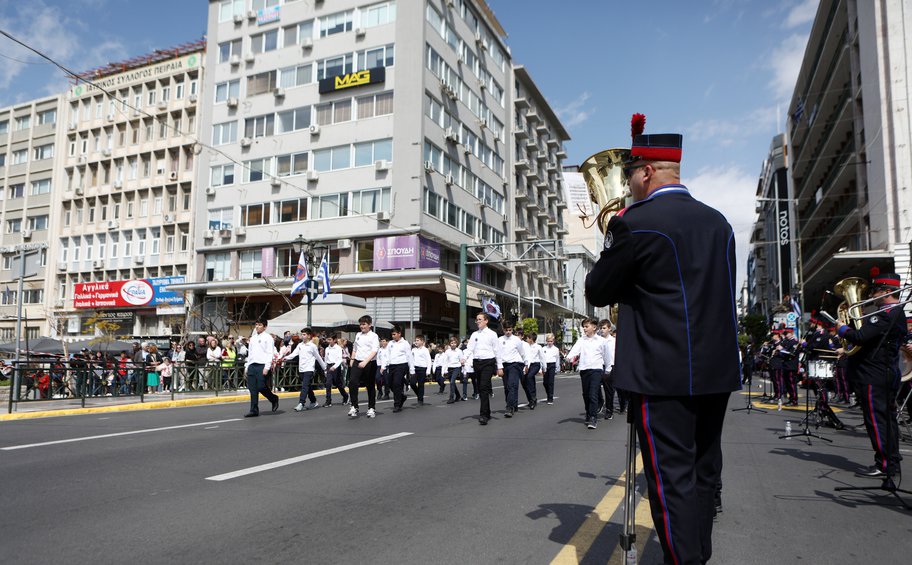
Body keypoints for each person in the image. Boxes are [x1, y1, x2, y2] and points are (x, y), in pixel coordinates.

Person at [585, 117, 740, 564]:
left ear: (647, 171)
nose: (627, 182)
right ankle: (697, 553)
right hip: (715, 371)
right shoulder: (719, 223)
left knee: (671, 480)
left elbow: (598, 290)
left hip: (661, 372)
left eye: (629, 172)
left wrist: (611, 237)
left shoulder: (634, 222)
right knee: (703, 472)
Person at [836, 271, 906, 483]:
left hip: (873, 375)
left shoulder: (884, 314)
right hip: (884, 373)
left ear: (886, 291)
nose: (872, 293)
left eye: (876, 290)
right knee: (887, 420)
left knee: (876, 421)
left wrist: (842, 328)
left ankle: (884, 464)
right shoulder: (896, 313)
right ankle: (891, 460)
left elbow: (860, 336)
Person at [566, 318, 612, 429]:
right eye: (584, 327)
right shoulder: (582, 340)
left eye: (587, 326)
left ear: (594, 327)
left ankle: (593, 417)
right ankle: (588, 412)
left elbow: (607, 356)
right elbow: (575, 350)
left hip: (596, 369)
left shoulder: (602, 341)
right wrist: (569, 357)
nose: (585, 329)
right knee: (586, 394)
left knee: (593, 393)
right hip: (584, 369)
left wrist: (608, 368)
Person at [464, 312, 503, 425]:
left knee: (483, 386)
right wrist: (464, 358)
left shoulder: (492, 334)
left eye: (480, 319)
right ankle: (487, 411)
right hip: (477, 363)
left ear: (486, 321)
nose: (478, 321)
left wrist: (500, 367)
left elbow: (497, 351)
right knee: (482, 389)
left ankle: (483, 415)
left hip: (488, 363)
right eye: (477, 320)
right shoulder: (474, 334)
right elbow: (469, 348)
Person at [244, 319, 280, 417]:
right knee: (252, 389)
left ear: (264, 327)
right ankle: (254, 410)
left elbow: (269, 353)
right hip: (252, 365)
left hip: (262, 365)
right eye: (256, 325)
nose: (257, 327)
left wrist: (267, 367)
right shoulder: (253, 338)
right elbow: (250, 353)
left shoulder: (268, 338)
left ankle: (273, 399)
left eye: (259, 325)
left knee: (261, 386)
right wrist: (247, 366)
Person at [284, 328, 325, 412]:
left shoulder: (313, 346)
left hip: (309, 369)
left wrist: (325, 368)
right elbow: (293, 354)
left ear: (309, 336)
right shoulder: (300, 345)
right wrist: (284, 358)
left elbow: (318, 357)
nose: (302, 336)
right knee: (308, 386)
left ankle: (301, 403)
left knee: (304, 386)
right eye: (302, 334)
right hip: (301, 369)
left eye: (304, 334)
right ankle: (313, 401)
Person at [348, 315, 380, 419]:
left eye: (364, 324)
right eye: (360, 324)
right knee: (352, 382)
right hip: (357, 361)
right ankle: (354, 406)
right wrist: (352, 360)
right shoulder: (358, 335)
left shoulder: (374, 336)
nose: (362, 326)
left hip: (369, 362)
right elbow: (355, 348)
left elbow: (374, 350)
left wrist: (365, 361)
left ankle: (371, 408)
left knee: (369, 385)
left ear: (369, 325)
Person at [498, 321, 527, 417]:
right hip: (504, 365)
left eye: (510, 330)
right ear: (503, 330)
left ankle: (509, 408)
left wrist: (526, 363)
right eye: (506, 330)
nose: (508, 332)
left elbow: (522, 352)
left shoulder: (516, 340)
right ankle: (513, 404)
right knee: (507, 387)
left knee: (511, 385)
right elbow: (497, 354)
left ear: (512, 330)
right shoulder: (499, 340)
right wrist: (498, 367)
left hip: (514, 364)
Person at [385, 325, 415, 413]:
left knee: (397, 383)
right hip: (392, 366)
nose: (393, 336)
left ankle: (397, 404)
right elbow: (388, 355)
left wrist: (412, 370)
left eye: (394, 334)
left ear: (399, 334)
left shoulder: (405, 343)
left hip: (402, 365)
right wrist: (385, 366)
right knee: (390, 384)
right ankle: (402, 397)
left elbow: (409, 356)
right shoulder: (390, 343)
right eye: (392, 335)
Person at [598, 319, 623, 418]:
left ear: (609, 329)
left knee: (609, 390)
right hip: (599, 366)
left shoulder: (614, 341)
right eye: (601, 328)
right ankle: (600, 401)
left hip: (611, 366)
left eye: (604, 328)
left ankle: (609, 410)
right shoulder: (597, 340)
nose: (602, 330)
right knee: (595, 386)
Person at [323, 334, 348, 406]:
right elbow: (326, 359)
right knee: (328, 384)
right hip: (329, 366)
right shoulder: (327, 349)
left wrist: (334, 367)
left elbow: (340, 360)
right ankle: (328, 401)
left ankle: (345, 396)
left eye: (330, 340)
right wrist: (325, 369)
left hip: (336, 367)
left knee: (338, 384)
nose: (328, 341)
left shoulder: (338, 348)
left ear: (334, 340)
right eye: (328, 339)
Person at [522, 332, 541, 409]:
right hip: (527, 365)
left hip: (535, 364)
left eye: (528, 338)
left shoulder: (538, 347)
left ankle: (533, 398)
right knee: (527, 381)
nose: (526, 339)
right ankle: (531, 399)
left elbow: (542, 358)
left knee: (529, 377)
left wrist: (543, 368)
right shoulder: (525, 346)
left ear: (531, 339)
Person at [410, 335, 431, 405]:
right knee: (412, 383)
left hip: (422, 368)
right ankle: (419, 394)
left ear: (422, 342)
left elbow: (428, 360)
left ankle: (420, 400)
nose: (416, 342)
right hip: (415, 368)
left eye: (418, 340)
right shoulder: (413, 350)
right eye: (415, 340)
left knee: (420, 384)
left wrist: (428, 370)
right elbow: (411, 360)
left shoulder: (425, 350)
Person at [444, 337, 465, 404]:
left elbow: (462, 360)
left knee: (452, 382)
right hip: (450, 368)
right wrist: (444, 370)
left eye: (454, 343)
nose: (453, 344)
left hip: (456, 367)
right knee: (452, 383)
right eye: (451, 343)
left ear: (456, 343)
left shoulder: (459, 351)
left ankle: (451, 398)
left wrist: (464, 370)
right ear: (450, 344)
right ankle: (458, 395)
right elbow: (445, 361)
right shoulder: (447, 351)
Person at [541, 334, 560, 405]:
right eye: (548, 341)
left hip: (552, 365)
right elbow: (542, 359)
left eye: (551, 341)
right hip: (545, 365)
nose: (550, 343)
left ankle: (550, 398)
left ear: (553, 341)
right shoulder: (543, 349)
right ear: (546, 341)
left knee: (551, 382)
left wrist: (557, 368)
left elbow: (557, 359)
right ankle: (548, 393)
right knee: (545, 382)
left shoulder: (556, 349)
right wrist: (542, 367)